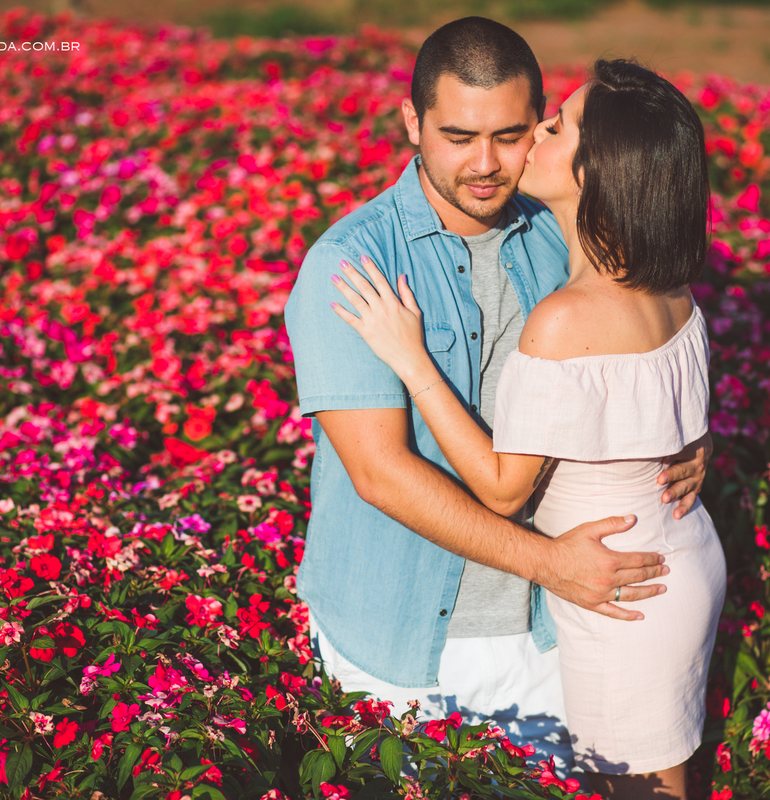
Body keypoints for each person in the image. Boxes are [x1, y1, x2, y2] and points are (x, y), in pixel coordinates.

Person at [284, 18, 712, 773]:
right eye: (457, 136)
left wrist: (682, 440)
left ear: (542, 126)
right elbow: (381, 473)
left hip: (555, 629)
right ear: (412, 123)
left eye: (511, 135)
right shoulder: (350, 264)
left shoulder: (562, 229)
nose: (485, 165)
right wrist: (550, 564)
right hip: (406, 646)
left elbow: (625, 351)